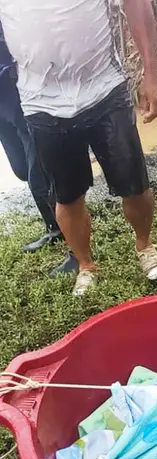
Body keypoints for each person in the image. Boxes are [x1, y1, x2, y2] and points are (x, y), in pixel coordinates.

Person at [0, 0, 157, 296]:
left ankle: (145, 245)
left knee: (135, 185)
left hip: (104, 87)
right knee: (67, 196)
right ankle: (86, 265)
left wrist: (151, 73)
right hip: (40, 100)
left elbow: (136, 3)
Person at [0, 19, 78, 274]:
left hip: (20, 96)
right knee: (21, 168)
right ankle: (55, 225)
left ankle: (66, 234)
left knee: (37, 173)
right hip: (2, 108)